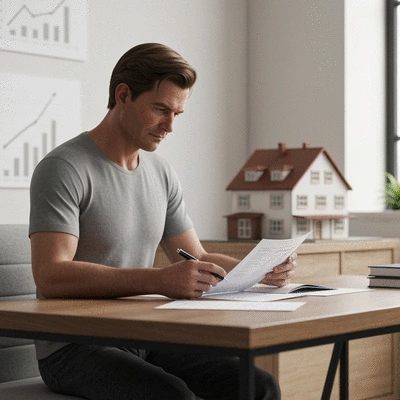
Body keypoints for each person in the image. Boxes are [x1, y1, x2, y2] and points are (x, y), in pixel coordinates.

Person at [29, 42, 297, 400]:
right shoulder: (64, 169)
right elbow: (51, 274)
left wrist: (257, 271)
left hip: (144, 335)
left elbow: (194, 255)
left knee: (258, 386)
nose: (170, 125)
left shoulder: (160, 172)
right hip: (73, 347)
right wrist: (157, 279)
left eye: (177, 113)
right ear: (122, 95)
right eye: (160, 109)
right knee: (172, 396)